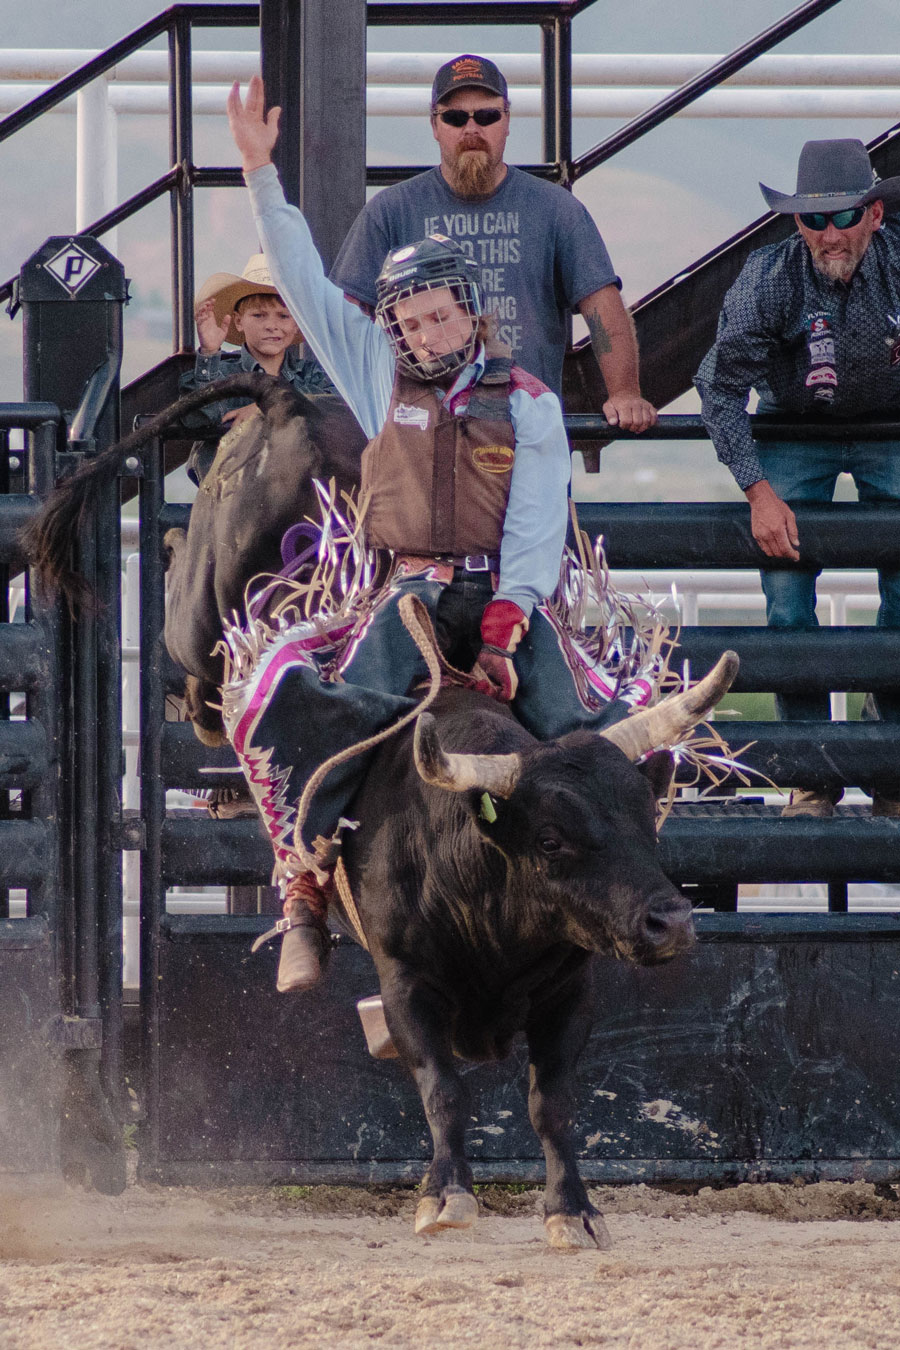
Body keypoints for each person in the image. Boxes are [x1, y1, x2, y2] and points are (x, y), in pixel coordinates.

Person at [224, 76, 661, 993]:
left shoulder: (531, 403)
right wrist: (261, 178)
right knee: (330, 720)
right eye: (411, 321)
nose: (427, 332)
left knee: (596, 733)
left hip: (507, 592)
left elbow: (539, 522)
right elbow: (303, 282)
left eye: (441, 314)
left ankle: (632, 891)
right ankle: (304, 891)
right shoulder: (376, 370)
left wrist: (509, 623)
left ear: (470, 311)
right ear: (396, 329)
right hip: (412, 592)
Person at [695, 138, 900, 818]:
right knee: (786, 598)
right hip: (790, 429)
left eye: (844, 216)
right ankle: (812, 768)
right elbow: (720, 390)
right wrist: (757, 490)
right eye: (815, 219)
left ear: (874, 213)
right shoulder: (769, 280)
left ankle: (888, 756)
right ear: (796, 224)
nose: (830, 233)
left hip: (890, 428)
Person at [329, 53, 656, 428]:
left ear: (507, 121)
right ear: (435, 125)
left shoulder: (557, 210)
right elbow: (346, 318)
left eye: (486, 116)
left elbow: (603, 309)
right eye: (455, 117)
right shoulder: (389, 211)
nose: (471, 129)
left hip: (527, 425)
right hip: (420, 431)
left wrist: (625, 393)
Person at [178, 254, 338, 483]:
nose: (272, 325)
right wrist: (210, 352)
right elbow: (197, 418)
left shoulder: (311, 376)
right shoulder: (223, 374)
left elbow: (334, 406)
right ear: (238, 321)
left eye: (283, 316)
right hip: (231, 495)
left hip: (299, 491)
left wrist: (269, 407)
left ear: (296, 324)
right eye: (259, 315)